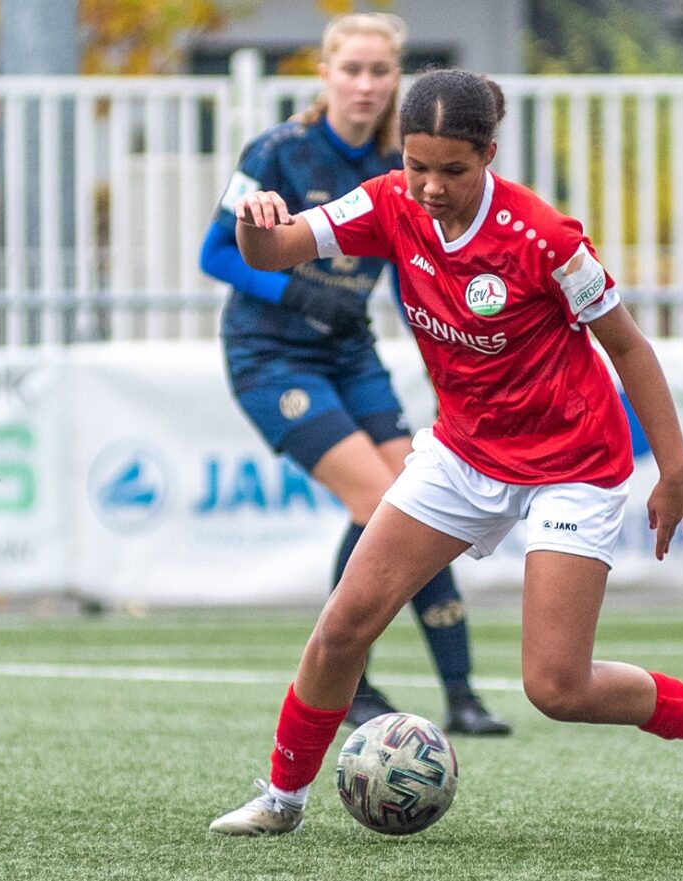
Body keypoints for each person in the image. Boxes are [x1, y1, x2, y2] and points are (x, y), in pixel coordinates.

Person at [208, 68, 683, 837]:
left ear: (490, 156)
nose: (431, 187)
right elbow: (272, 252)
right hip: (461, 454)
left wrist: (675, 469)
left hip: (572, 466)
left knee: (555, 685)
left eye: (453, 170)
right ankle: (282, 797)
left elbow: (630, 349)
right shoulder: (386, 201)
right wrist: (254, 219)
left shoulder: (545, 237)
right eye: (417, 165)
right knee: (345, 622)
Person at [200, 14, 509, 735]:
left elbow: (413, 273)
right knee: (380, 500)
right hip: (269, 355)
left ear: (396, 80)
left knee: (425, 505)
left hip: (350, 350)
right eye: (352, 70)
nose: (365, 85)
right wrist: (291, 288)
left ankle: (461, 693)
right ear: (326, 75)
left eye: (379, 72)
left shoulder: (406, 161)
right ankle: (352, 681)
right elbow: (216, 253)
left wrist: (452, 360)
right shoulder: (279, 150)